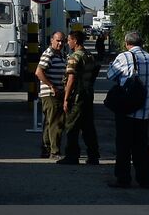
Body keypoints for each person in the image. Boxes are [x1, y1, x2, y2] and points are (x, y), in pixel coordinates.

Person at [106, 30, 149, 188]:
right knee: (142, 146)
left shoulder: (123, 56)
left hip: (126, 110)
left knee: (123, 145)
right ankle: (144, 179)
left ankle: (123, 178)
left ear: (127, 43)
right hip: (144, 110)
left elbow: (110, 75)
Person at [59, 30, 100, 165]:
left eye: (69, 40)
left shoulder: (75, 57)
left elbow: (71, 78)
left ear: (75, 41)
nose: (67, 42)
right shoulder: (89, 56)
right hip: (88, 94)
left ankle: (72, 156)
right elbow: (95, 71)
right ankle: (93, 155)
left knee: (72, 126)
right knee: (88, 127)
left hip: (77, 96)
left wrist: (65, 98)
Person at [35, 31, 67, 160]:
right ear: (51, 41)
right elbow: (39, 72)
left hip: (58, 92)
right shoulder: (49, 54)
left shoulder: (60, 55)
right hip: (50, 94)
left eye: (62, 41)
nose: (60, 43)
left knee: (49, 122)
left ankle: (46, 149)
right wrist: (51, 85)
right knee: (56, 123)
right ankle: (54, 151)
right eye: (58, 41)